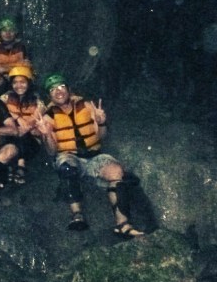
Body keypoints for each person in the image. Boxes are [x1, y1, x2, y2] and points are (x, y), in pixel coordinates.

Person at [35, 73, 145, 238]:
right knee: (66, 167)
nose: (58, 91)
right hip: (69, 157)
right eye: (53, 90)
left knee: (117, 172)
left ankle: (123, 225)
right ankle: (77, 214)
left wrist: (101, 122)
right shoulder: (49, 116)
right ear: (49, 96)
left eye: (61, 87)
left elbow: (101, 136)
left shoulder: (86, 106)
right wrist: (46, 135)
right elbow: (51, 151)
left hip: (94, 156)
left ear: (69, 90)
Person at [0, 65, 46, 185]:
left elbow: (34, 120)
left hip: (30, 140)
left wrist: (22, 128)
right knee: (13, 134)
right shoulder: (5, 97)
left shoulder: (37, 101)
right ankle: (17, 166)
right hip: (11, 136)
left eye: (22, 82)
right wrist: (17, 117)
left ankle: (20, 164)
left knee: (22, 136)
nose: (18, 85)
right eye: (15, 82)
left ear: (29, 83)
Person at [0, 17, 29, 93]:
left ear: (15, 32)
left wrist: (5, 69)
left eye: (11, 30)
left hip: (18, 73)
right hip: (2, 75)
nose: (8, 33)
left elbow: (27, 65)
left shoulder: (21, 46)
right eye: (4, 30)